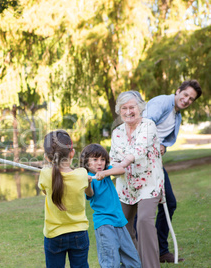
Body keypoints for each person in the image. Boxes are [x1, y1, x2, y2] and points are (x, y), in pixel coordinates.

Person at [143, 80, 202, 263]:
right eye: (185, 95)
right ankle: (139, 253)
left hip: (155, 162)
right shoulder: (162, 103)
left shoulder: (177, 116)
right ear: (178, 91)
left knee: (169, 202)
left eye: (191, 99)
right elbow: (145, 125)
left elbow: (164, 140)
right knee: (142, 208)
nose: (186, 100)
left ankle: (161, 251)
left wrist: (162, 147)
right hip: (140, 161)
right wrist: (155, 146)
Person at [109, 91, 164, 268]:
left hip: (149, 184)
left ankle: (150, 265)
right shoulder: (117, 132)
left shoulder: (149, 125)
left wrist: (121, 164)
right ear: (119, 110)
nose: (128, 111)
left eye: (131, 107)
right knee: (121, 225)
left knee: (143, 221)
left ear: (140, 107)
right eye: (123, 108)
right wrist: (106, 171)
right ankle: (134, 264)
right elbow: (113, 159)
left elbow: (138, 150)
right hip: (125, 187)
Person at [80, 144, 141, 268]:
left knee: (134, 262)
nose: (100, 163)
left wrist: (105, 173)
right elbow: (90, 194)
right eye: (95, 160)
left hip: (119, 221)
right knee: (111, 262)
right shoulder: (88, 178)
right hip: (104, 224)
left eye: (102, 159)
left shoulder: (106, 172)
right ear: (86, 163)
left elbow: (121, 170)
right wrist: (87, 182)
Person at [38, 130, 90, 268]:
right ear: (72, 153)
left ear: (46, 157)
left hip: (54, 234)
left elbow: (45, 190)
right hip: (79, 233)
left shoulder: (45, 174)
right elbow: (89, 192)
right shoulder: (82, 174)